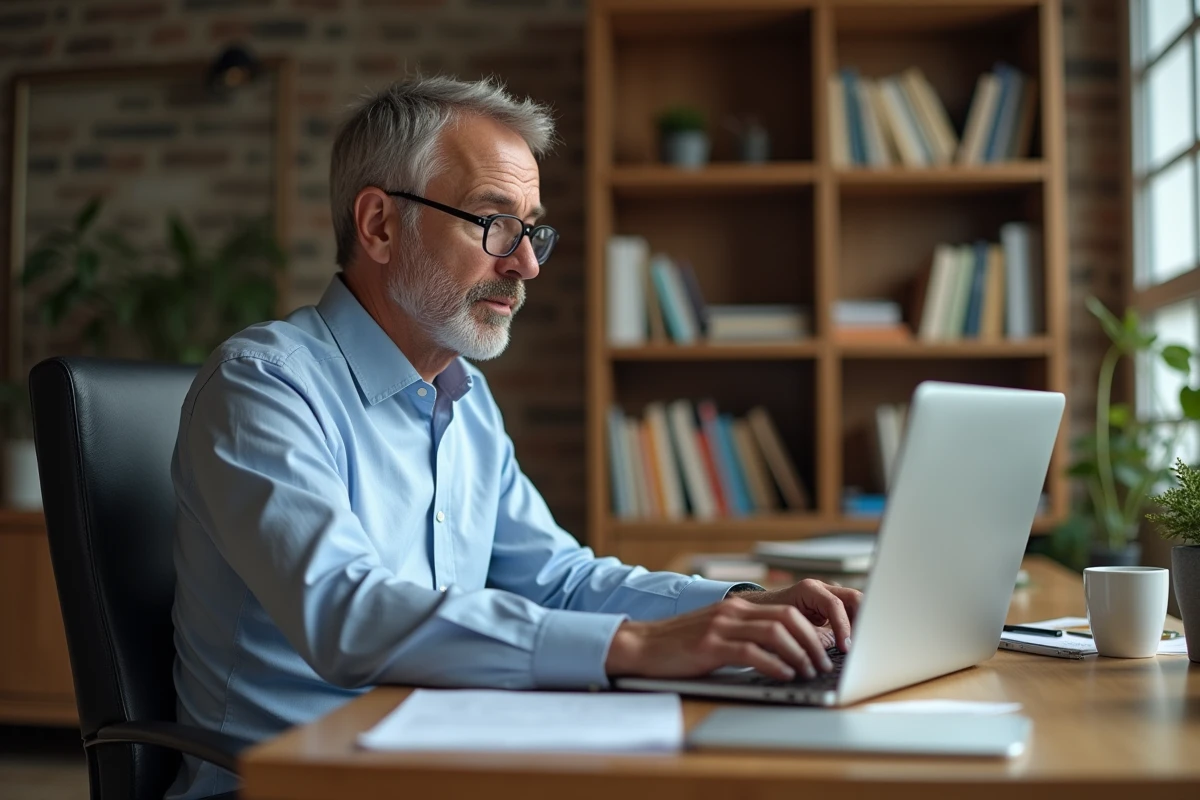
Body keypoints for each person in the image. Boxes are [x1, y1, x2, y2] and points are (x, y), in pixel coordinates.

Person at [167, 75, 861, 799]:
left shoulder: (465, 398)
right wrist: (637, 645)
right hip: (292, 782)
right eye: (492, 222)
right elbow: (349, 616)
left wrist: (738, 608)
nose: (526, 264)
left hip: (447, 757)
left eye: (532, 230)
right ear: (378, 225)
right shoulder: (264, 386)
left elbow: (559, 579)